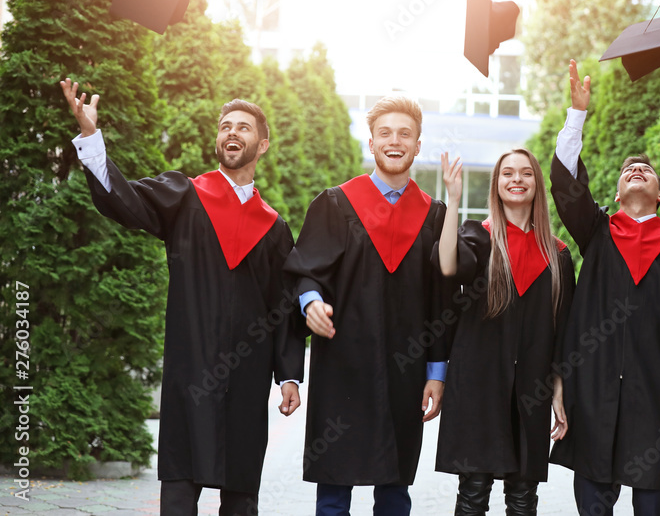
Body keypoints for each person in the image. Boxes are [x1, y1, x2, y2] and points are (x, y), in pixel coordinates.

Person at [60, 79, 304, 516]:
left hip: (247, 378)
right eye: (225, 126)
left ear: (262, 145)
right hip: (190, 370)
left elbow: (282, 305)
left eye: (243, 128)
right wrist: (92, 138)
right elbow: (126, 201)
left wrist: (288, 375)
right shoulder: (185, 195)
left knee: (241, 494)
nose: (232, 133)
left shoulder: (274, 227)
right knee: (179, 487)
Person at [548, 60, 660, 515]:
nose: (638, 170)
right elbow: (566, 186)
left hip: (652, 387)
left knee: (653, 503)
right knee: (593, 502)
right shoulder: (598, 233)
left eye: (648, 171)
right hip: (595, 387)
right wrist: (577, 114)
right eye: (629, 171)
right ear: (618, 193)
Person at [284, 95, 449, 516]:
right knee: (335, 488)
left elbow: (441, 300)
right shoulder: (336, 204)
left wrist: (436, 372)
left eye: (405, 134)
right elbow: (307, 269)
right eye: (386, 133)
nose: (395, 141)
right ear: (372, 143)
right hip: (342, 363)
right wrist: (311, 303)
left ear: (417, 145)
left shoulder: (433, 215)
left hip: (406, 369)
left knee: (395, 488)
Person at [434, 148, 575, 516]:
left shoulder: (557, 255)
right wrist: (453, 199)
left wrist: (559, 389)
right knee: (473, 492)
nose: (517, 180)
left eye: (526, 173)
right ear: (496, 185)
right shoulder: (478, 239)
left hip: (531, 386)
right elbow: (447, 266)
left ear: (537, 184)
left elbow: (564, 329)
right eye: (507, 173)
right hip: (478, 382)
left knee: (523, 495)